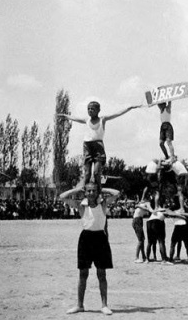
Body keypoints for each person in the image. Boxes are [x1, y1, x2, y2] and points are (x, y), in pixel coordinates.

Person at [64, 182, 120, 315]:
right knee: (83, 274)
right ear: (85, 192)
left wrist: (103, 188)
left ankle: (104, 305)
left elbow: (117, 193)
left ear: (97, 192)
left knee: (102, 274)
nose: (91, 193)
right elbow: (62, 196)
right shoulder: (80, 205)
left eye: (94, 191)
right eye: (88, 191)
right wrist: (77, 189)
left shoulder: (103, 203)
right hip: (85, 239)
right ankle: (79, 305)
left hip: (100, 238)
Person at [58, 101, 141, 190]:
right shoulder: (87, 120)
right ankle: (85, 190)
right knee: (87, 173)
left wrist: (130, 107)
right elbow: (75, 118)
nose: (90, 111)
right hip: (87, 146)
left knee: (97, 172)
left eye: (92, 109)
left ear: (98, 110)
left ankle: (98, 190)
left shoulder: (103, 119)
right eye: (88, 109)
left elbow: (117, 113)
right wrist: (65, 116)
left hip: (98, 146)